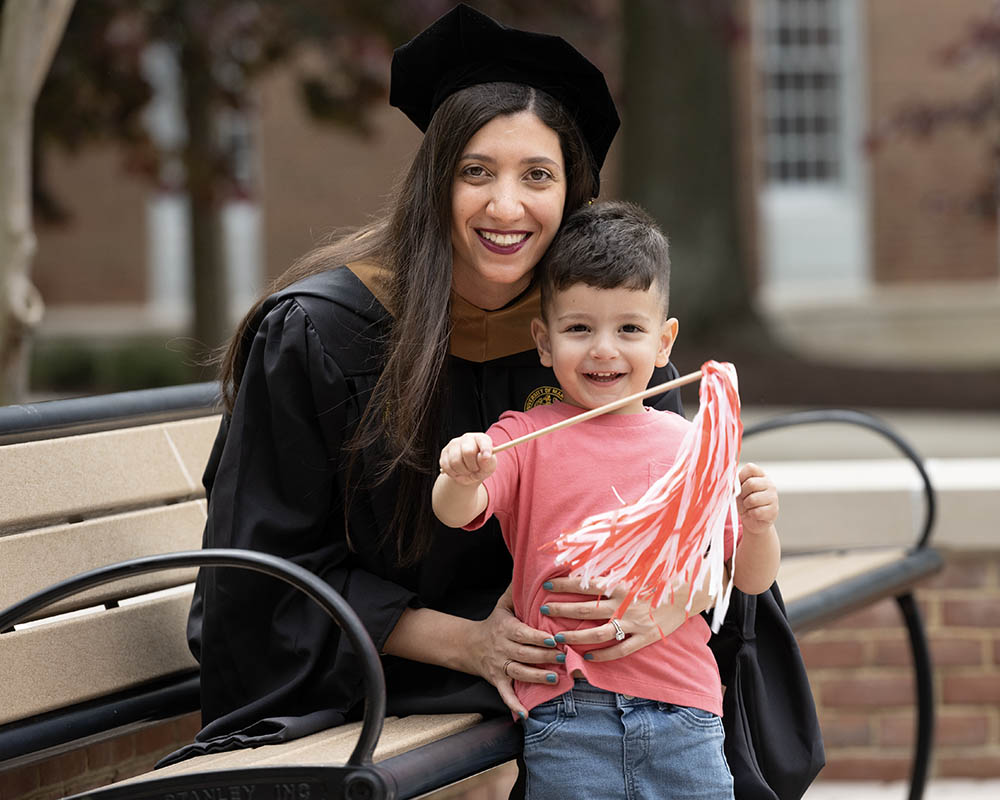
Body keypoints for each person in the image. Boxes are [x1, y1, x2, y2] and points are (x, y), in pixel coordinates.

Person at [169, 4, 716, 773]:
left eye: (537, 176)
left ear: (572, 194)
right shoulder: (325, 332)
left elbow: (688, 523)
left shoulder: (596, 341)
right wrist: (468, 642)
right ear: (438, 183)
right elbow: (262, 576)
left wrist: (668, 603)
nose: (505, 206)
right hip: (367, 669)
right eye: (476, 172)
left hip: (566, 670)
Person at [433, 200, 781, 799]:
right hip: (568, 715)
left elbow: (743, 581)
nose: (603, 350)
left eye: (628, 329)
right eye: (578, 328)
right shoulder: (523, 437)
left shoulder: (689, 447)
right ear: (543, 341)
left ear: (664, 340)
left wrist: (759, 527)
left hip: (685, 713)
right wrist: (462, 472)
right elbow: (456, 510)